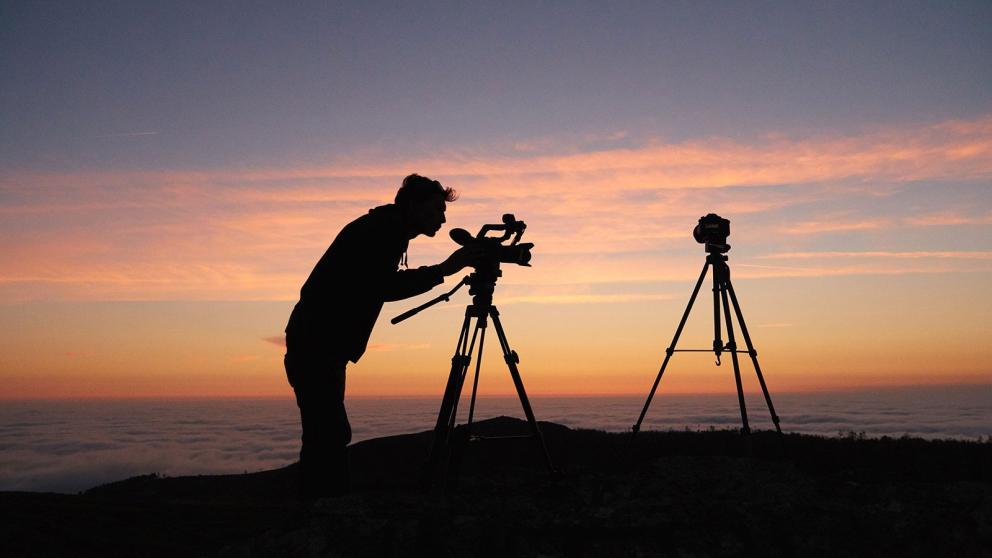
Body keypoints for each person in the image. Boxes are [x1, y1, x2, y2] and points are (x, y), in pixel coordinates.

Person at [284, 173, 479, 499]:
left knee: (327, 432)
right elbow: (382, 286)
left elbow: (375, 284)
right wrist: (444, 270)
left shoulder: (387, 228)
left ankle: (321, 509)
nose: (443, 219)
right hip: (317, 343)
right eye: (435, 211)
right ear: (412, 206)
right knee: (327, 434)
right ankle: (322, 512)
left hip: (320, 342)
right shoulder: (383, 231)